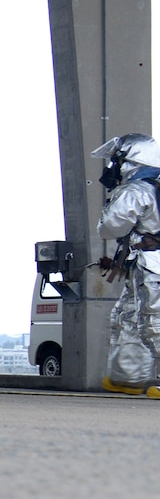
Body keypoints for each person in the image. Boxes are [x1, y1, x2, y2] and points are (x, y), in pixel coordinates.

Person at [94, 133, 160, 396]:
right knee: (128, 316)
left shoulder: (136, 191)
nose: (113, 167)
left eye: (117, 161)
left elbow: (110, 227)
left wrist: (109, 207)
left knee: (153, 322)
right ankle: (128, 376)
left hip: (151, 266)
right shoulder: (152, 187)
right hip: (144, 265)